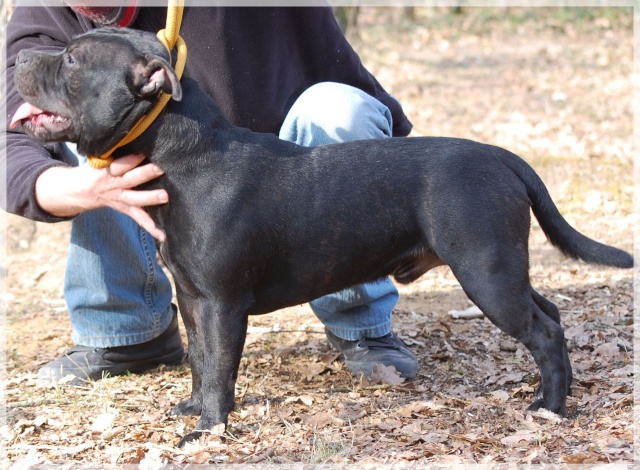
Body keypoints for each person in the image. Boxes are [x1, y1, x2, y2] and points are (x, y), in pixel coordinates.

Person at [4, 4, 418, 385]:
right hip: (174, 188)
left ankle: (360, 323)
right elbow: (9, 140)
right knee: (90, 133)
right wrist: (81, 187)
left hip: (283, 174)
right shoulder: (45, 13)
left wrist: (407, 196)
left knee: (340, 109)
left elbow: (343, 72)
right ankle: (124, 328)